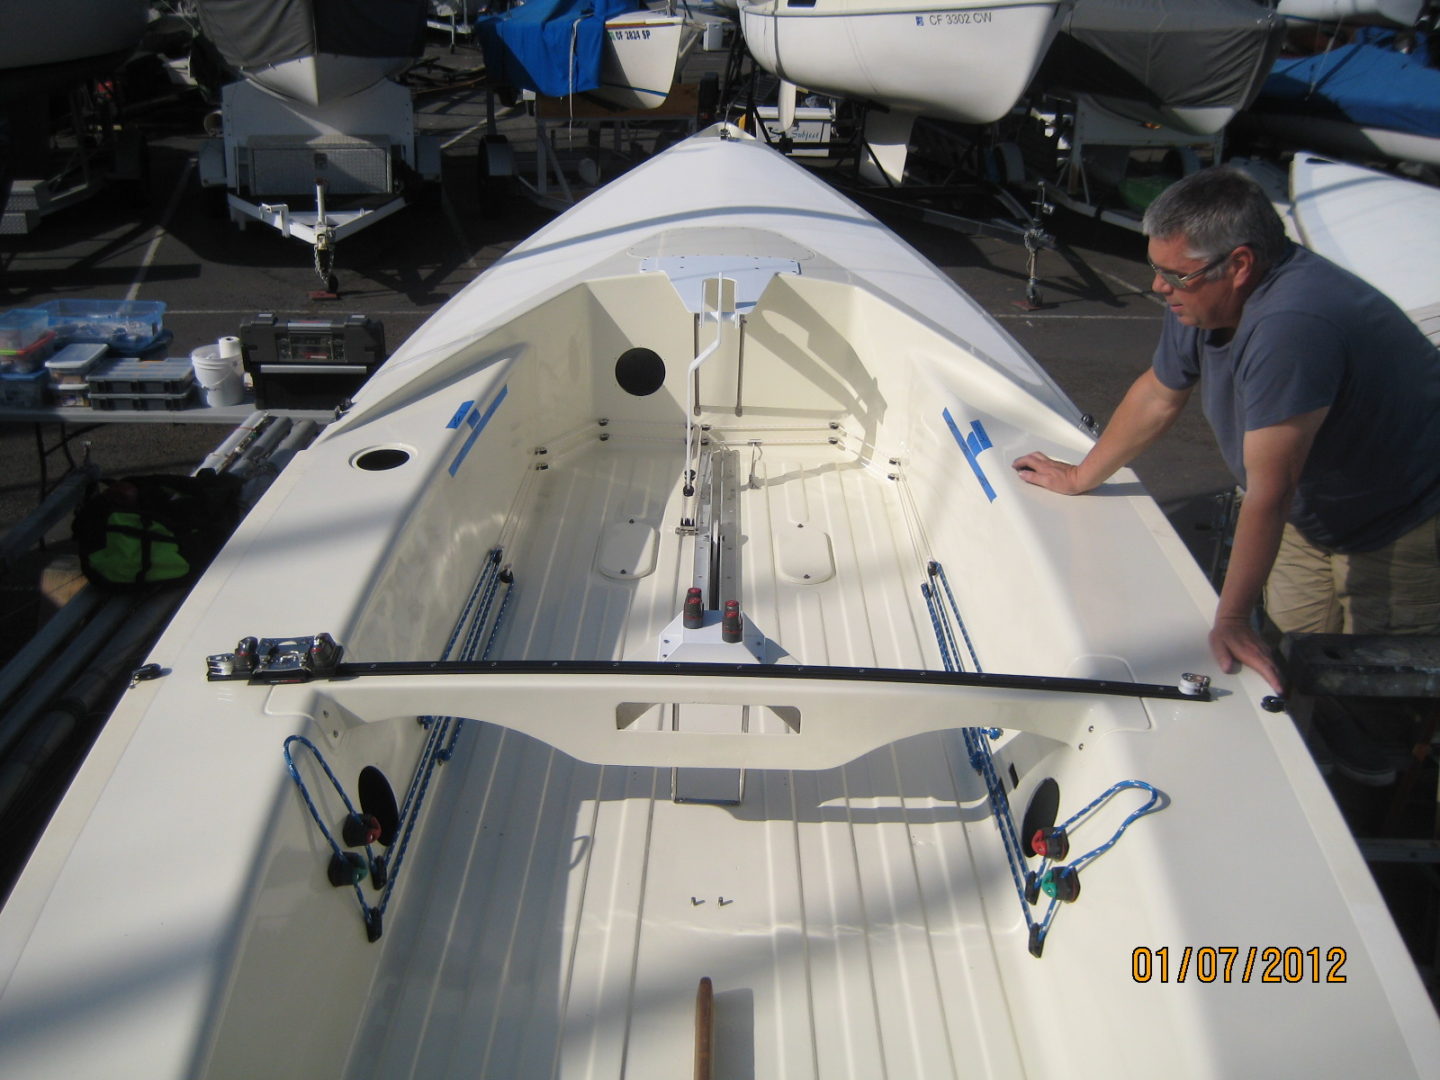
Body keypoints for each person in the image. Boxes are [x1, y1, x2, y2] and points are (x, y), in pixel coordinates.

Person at [1011, 165, 1440, 699]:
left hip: (1405, 520)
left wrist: (1231, 617)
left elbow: (1270, 490)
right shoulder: (1198, 294)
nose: (1159, 285)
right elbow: (1159, 395)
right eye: (1155, 267)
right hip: (1314, 511)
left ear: (1239, 265)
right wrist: (1079, 476)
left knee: (1374, 687)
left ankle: (1366, 771)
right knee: (1292, 651)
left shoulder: (1293, 325)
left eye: (1176, 275)